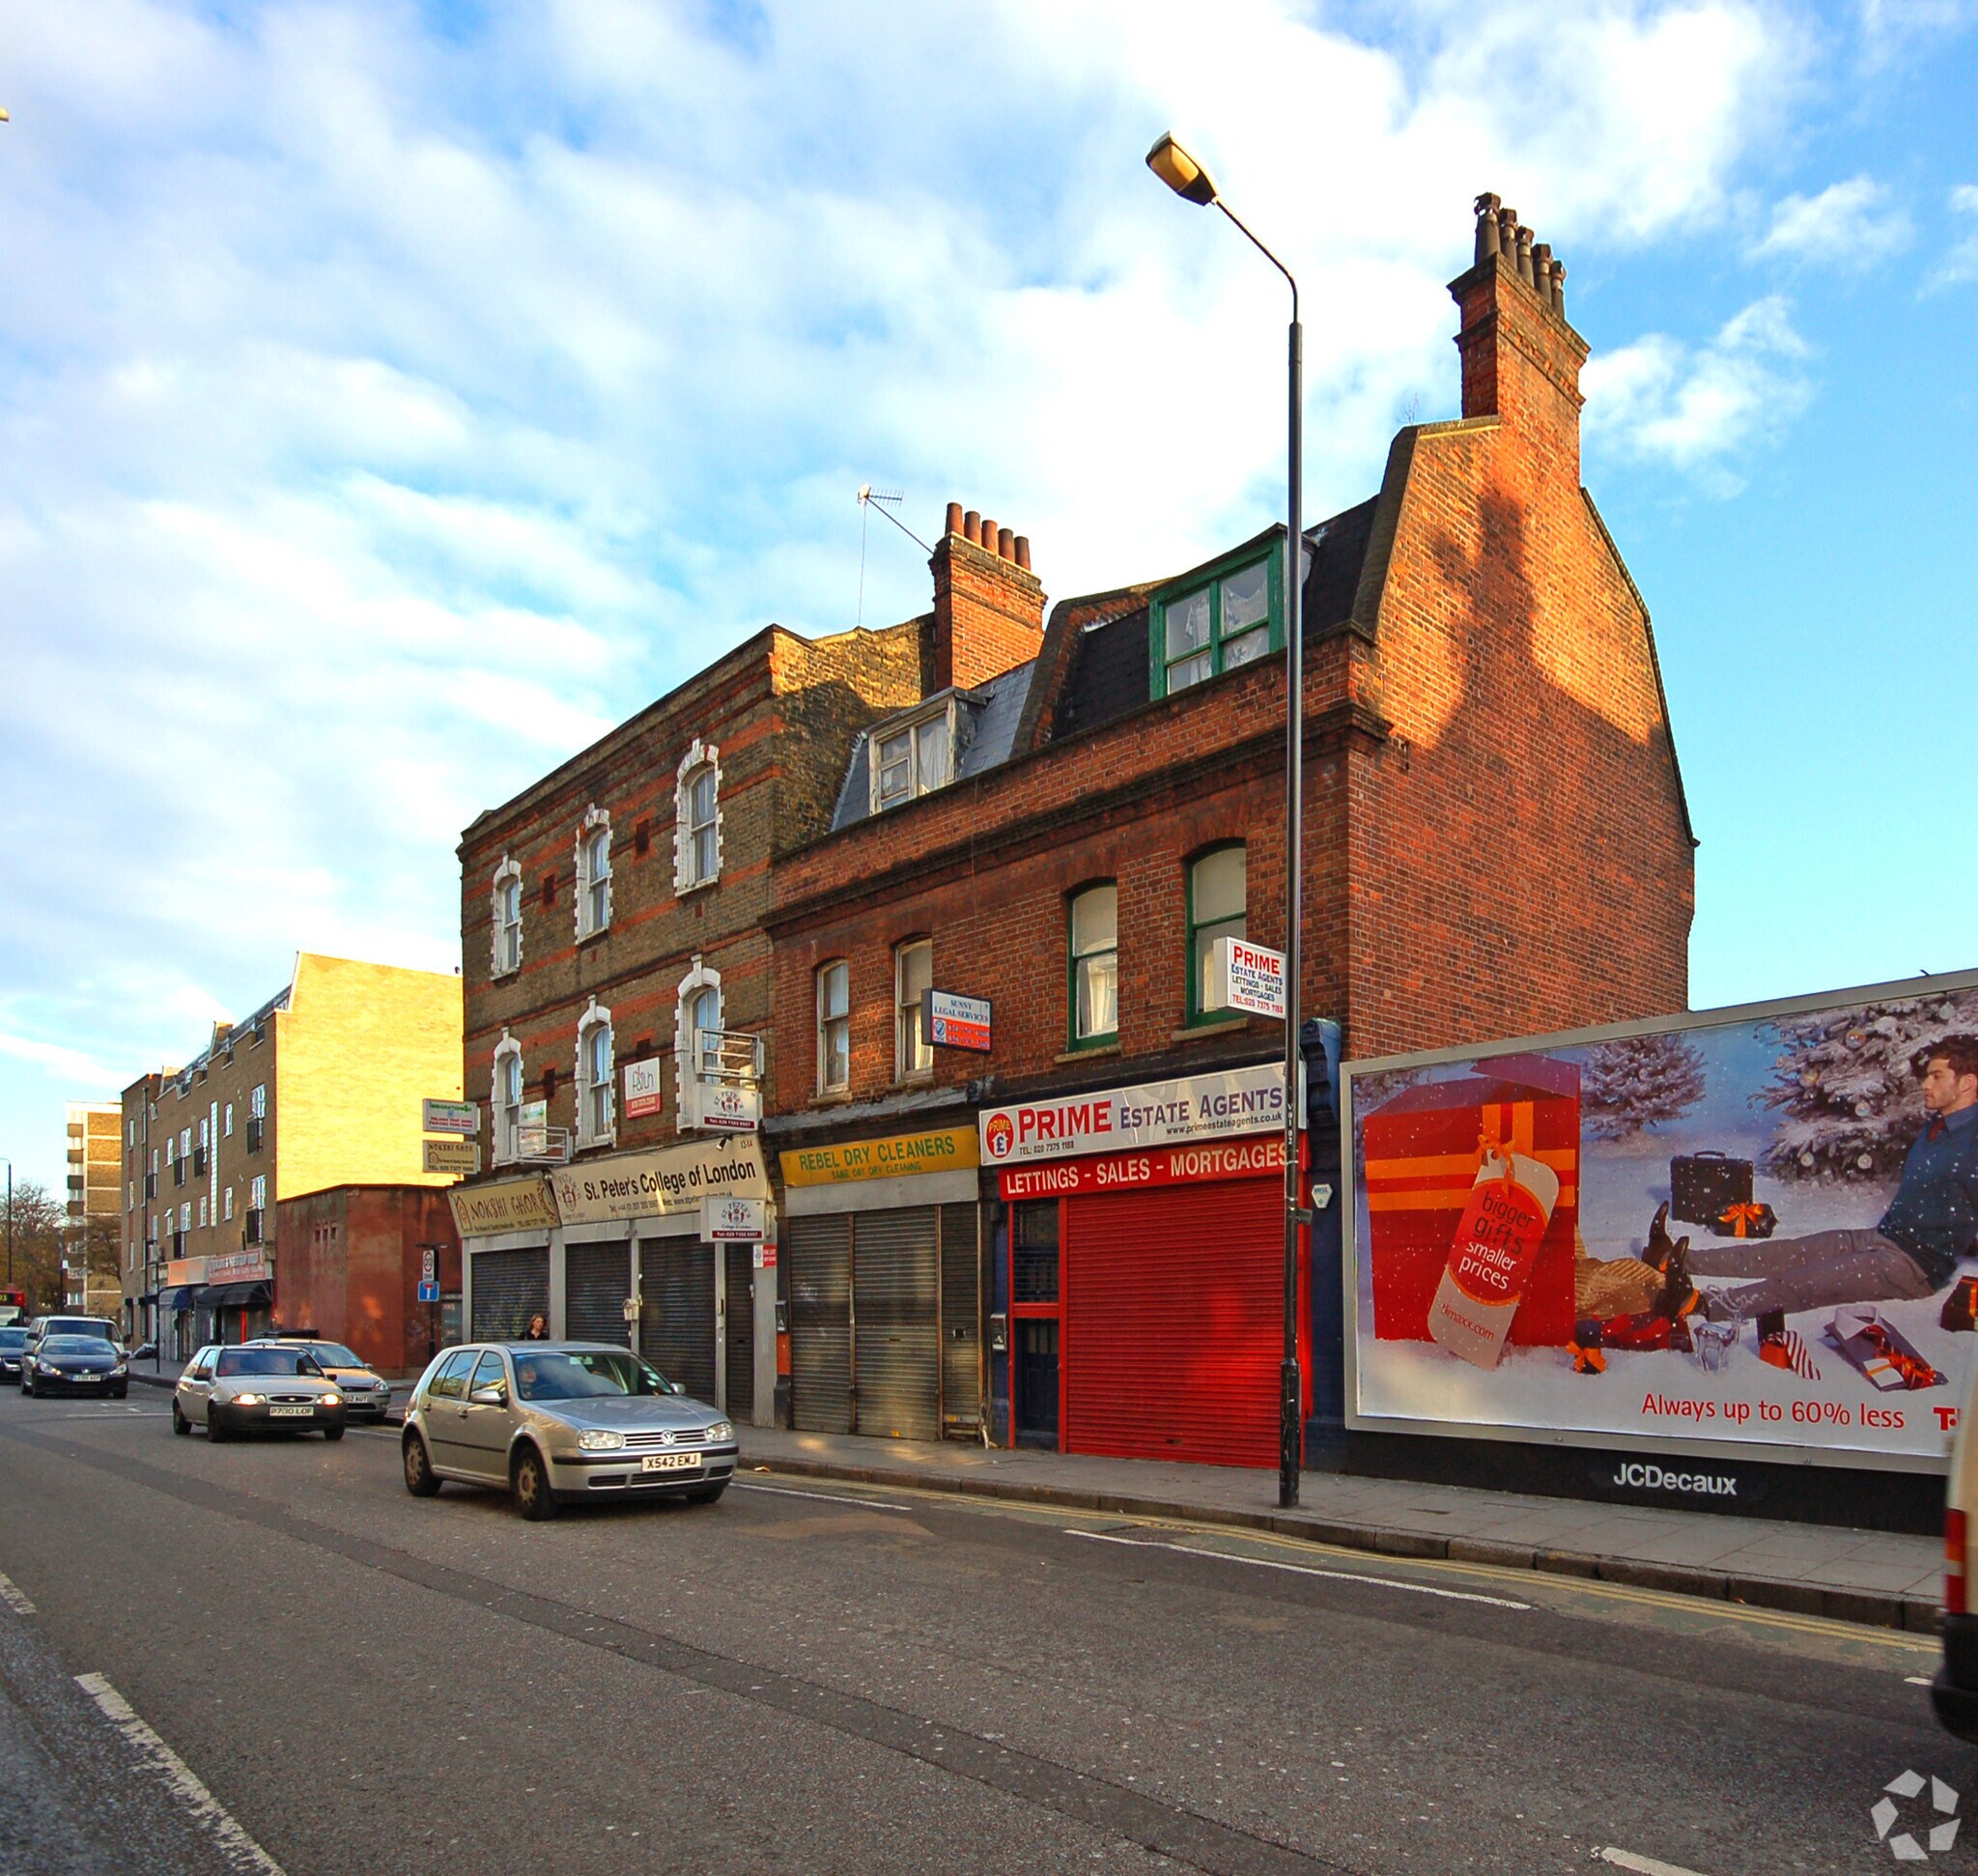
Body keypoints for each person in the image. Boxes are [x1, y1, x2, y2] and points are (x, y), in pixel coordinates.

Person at [1672, 1036, 1978, 1322]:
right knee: (1792, 1252)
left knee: (1807, 1281)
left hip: (1914, 1268)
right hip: (1882, 1237)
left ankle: (1705, 1304)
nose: (1925, 1083)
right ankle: (1685, 1260)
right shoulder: (1936, 1126)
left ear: (1967, 1083)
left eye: (1937, 1076)